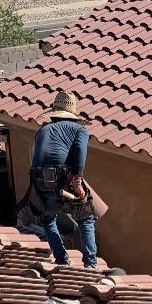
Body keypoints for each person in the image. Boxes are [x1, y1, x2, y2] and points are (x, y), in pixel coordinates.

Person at [29, 88, 97, 266]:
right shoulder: (79, 129)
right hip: (62, 176)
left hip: (39, 177)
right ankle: (90, 264)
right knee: (85, 218)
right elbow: (80, 152)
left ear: (53, 115)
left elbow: (37, 159)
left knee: (48, 218)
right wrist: (77, 180)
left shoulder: (42, 130)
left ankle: (61, 259)